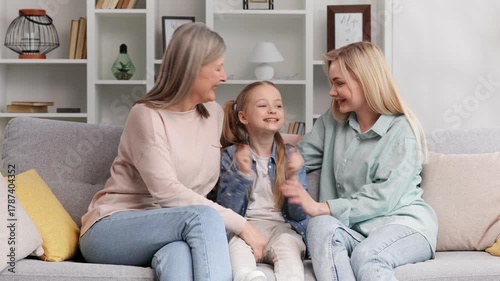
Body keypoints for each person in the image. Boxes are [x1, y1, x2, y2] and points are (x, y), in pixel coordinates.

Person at [79, 22, 266, 281]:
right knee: (205, 218)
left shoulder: (211, 114)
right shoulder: (146, 115)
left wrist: (308, 143)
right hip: (113, 229)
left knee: (179, 255)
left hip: (171, 232)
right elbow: (167, 192)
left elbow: (258, 135)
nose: (224, 77)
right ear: (192, 69)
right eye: (218, 68)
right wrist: (243, 226)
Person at [280, 41, 438, 281]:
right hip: (354, 231)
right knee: (320, 226)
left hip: (403, 226)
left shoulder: (401, 131)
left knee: (367, 256)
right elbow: (299, 155)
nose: (332, 92)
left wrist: (321, 207)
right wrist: (286, 160)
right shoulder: (332, 122)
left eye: (339, 83)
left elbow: (382, 198)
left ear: (366, 80)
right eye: (332, 83)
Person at [217, 81, 309, 281]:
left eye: (278, 105)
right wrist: (241, 175)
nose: (272, 110)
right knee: (236, 247)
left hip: (281, 227)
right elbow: (227, 209)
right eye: (262, 105)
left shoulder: (291, 154)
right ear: (243, 117)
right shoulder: (230, 156)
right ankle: (248, 277)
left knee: (288, 244)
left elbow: (299, 214)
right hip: (244, 226)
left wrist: (294, 178)